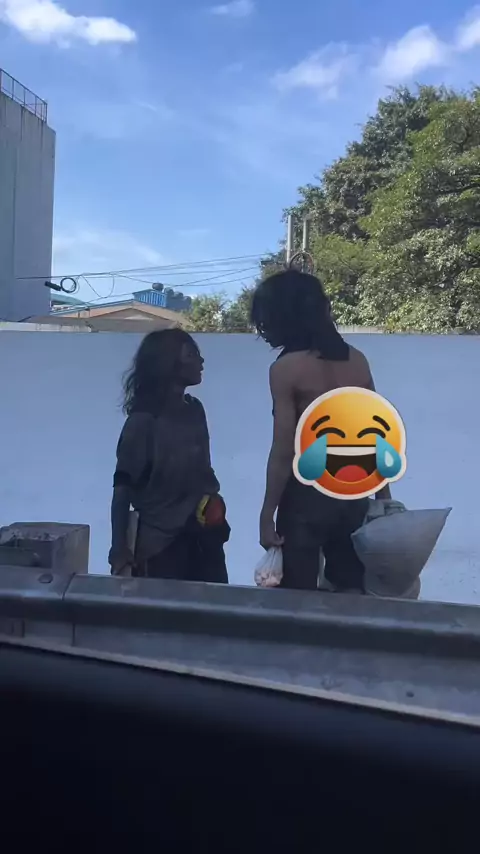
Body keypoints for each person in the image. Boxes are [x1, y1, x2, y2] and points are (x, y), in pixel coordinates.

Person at [250, 269, 391, 593]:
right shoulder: (358, 361)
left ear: (284, 317)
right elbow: (375, 435)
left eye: (265, 321)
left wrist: (267, 514)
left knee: (297, 597)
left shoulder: (285, 369)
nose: (262, 330)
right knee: (352, 593)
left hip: (305, 498)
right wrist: (384, 500)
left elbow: (284, 449)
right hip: (353, 494)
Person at [108, 329, 229, 583]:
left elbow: (204, 471)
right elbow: (122, 488)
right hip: (160, 548)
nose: (201, 361)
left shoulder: (195, 411)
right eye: (191, 354)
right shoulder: (143, 422)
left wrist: (214, 504)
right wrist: (119, 548)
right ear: (167, 362)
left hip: (204, 539)